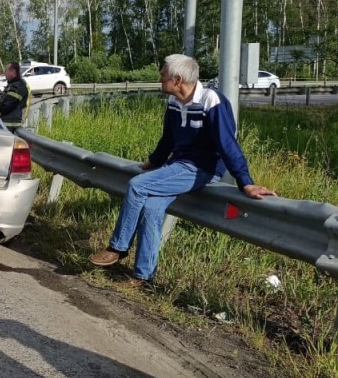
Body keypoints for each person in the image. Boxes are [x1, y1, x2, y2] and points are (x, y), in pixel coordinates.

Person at [89, 54, 276, 286]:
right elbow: (168, 139)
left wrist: (245, 181)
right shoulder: (174, 102)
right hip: (177, 166)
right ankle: (143, 276)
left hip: (202, 168)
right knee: (150, 209)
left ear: (177, 80)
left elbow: (227, 144)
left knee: (138, 185)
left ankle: (117, 248)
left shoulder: (211, 101)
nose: (160, 78)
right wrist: (154, 161)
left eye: (163, 75)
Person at [0, 61, 30, 130]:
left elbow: (7, 105)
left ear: (13, 71)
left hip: (10, 125)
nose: (4, 73)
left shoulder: (18, 86)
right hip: (6, 124)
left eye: (6, 71)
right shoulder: (12, 84)